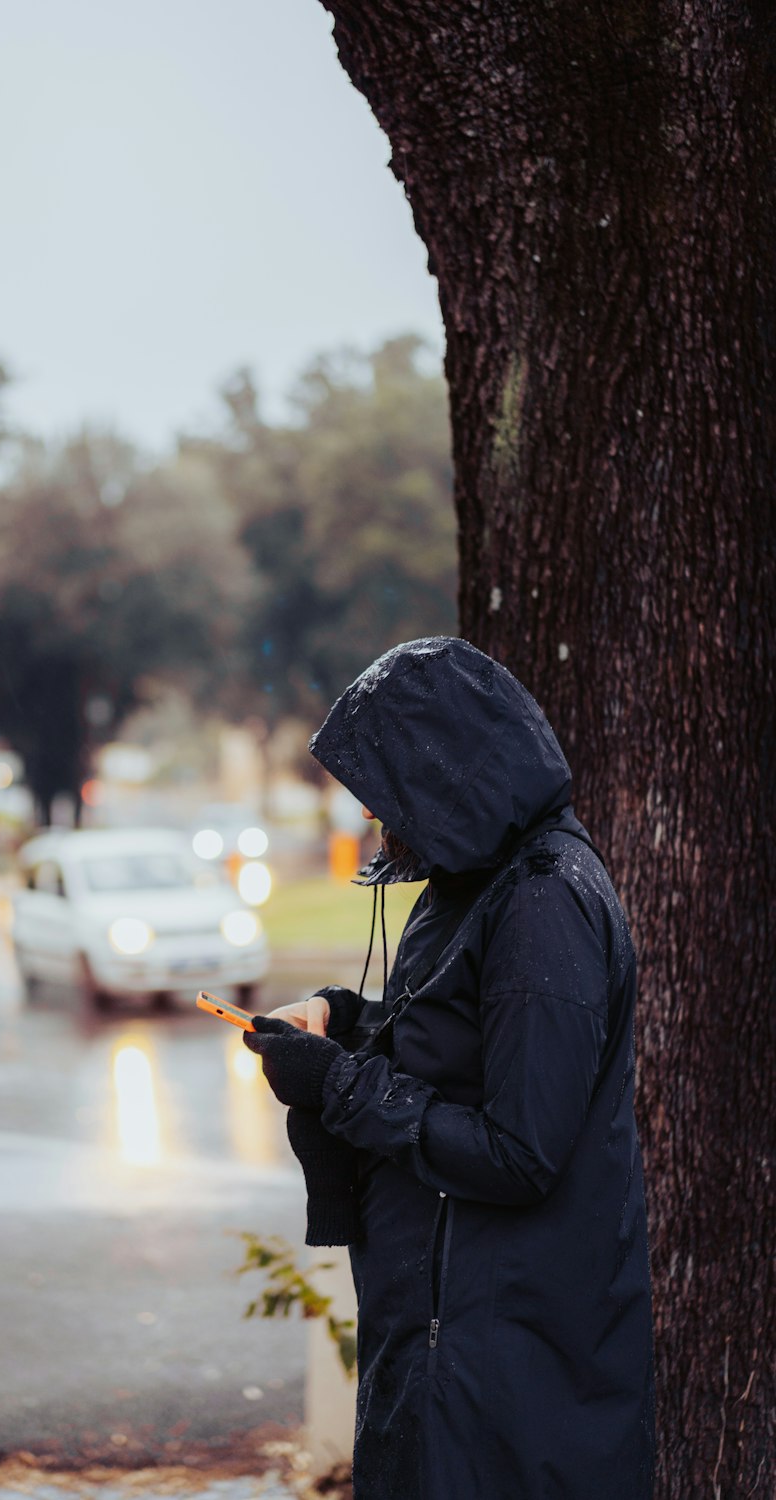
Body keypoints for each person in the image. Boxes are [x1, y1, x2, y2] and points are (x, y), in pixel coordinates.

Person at [243, 636, 655, 1500]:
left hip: (505, 1373)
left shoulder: (543, 901)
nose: (380, 827)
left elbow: (520, 1151)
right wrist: (339, 1021)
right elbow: (448, 1037)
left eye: (390, 799)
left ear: (446, 781)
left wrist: (339, 1085)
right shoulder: (471, 882)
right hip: (443, 1340)